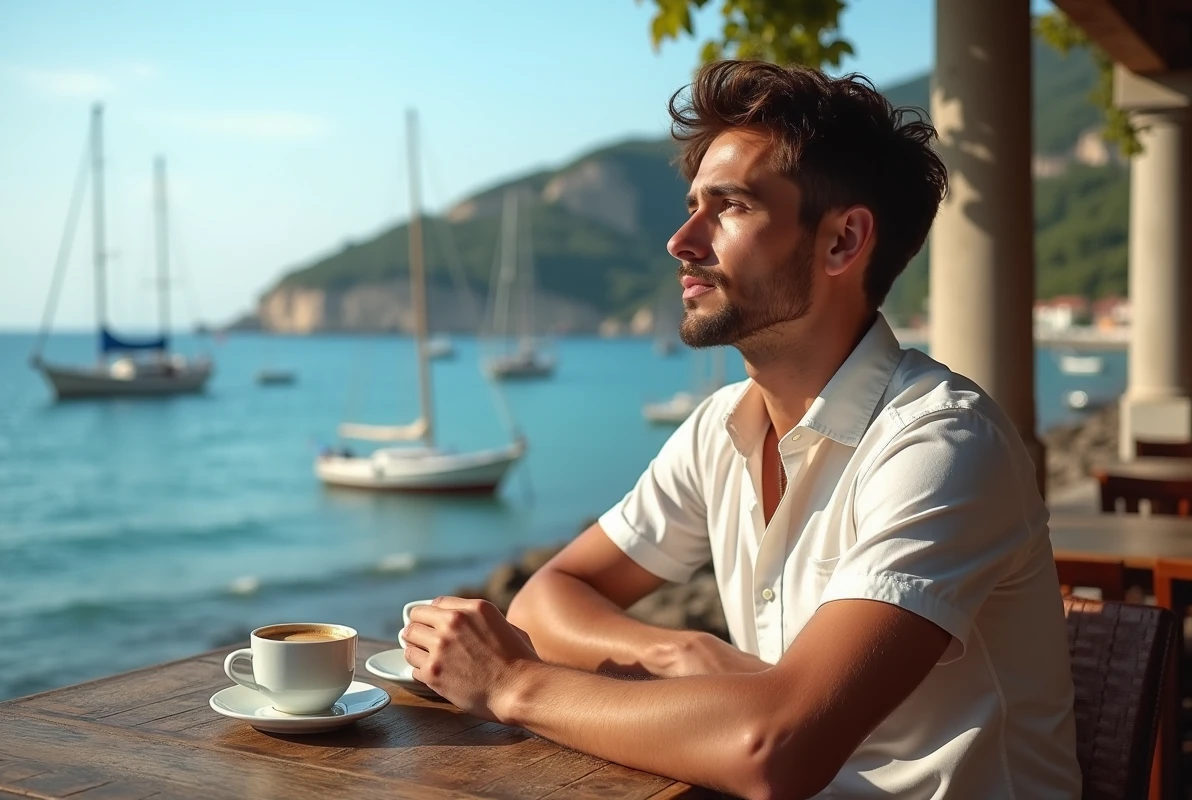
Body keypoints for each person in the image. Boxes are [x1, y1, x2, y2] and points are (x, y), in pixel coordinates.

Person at [401, 60, 1080, 799]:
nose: (682, 240)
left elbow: (772, 747)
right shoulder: (722, 428)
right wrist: (682, 653)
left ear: (842, 242)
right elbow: (546, 597)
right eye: (694, 205)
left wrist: (511, 684)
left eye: (729, 208)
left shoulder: (941, 446)